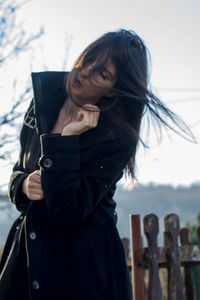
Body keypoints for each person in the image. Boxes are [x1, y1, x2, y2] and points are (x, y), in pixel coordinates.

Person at [0, 29, 194, 300]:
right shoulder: (42, 103)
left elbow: (67, 211)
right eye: (89, 59)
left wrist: (66, 140)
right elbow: (17, 170)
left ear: (114, 90)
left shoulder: (117, 136)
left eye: (102, 74)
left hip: (83, 268)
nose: (85, 72)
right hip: (28, 258)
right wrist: (21, 186)